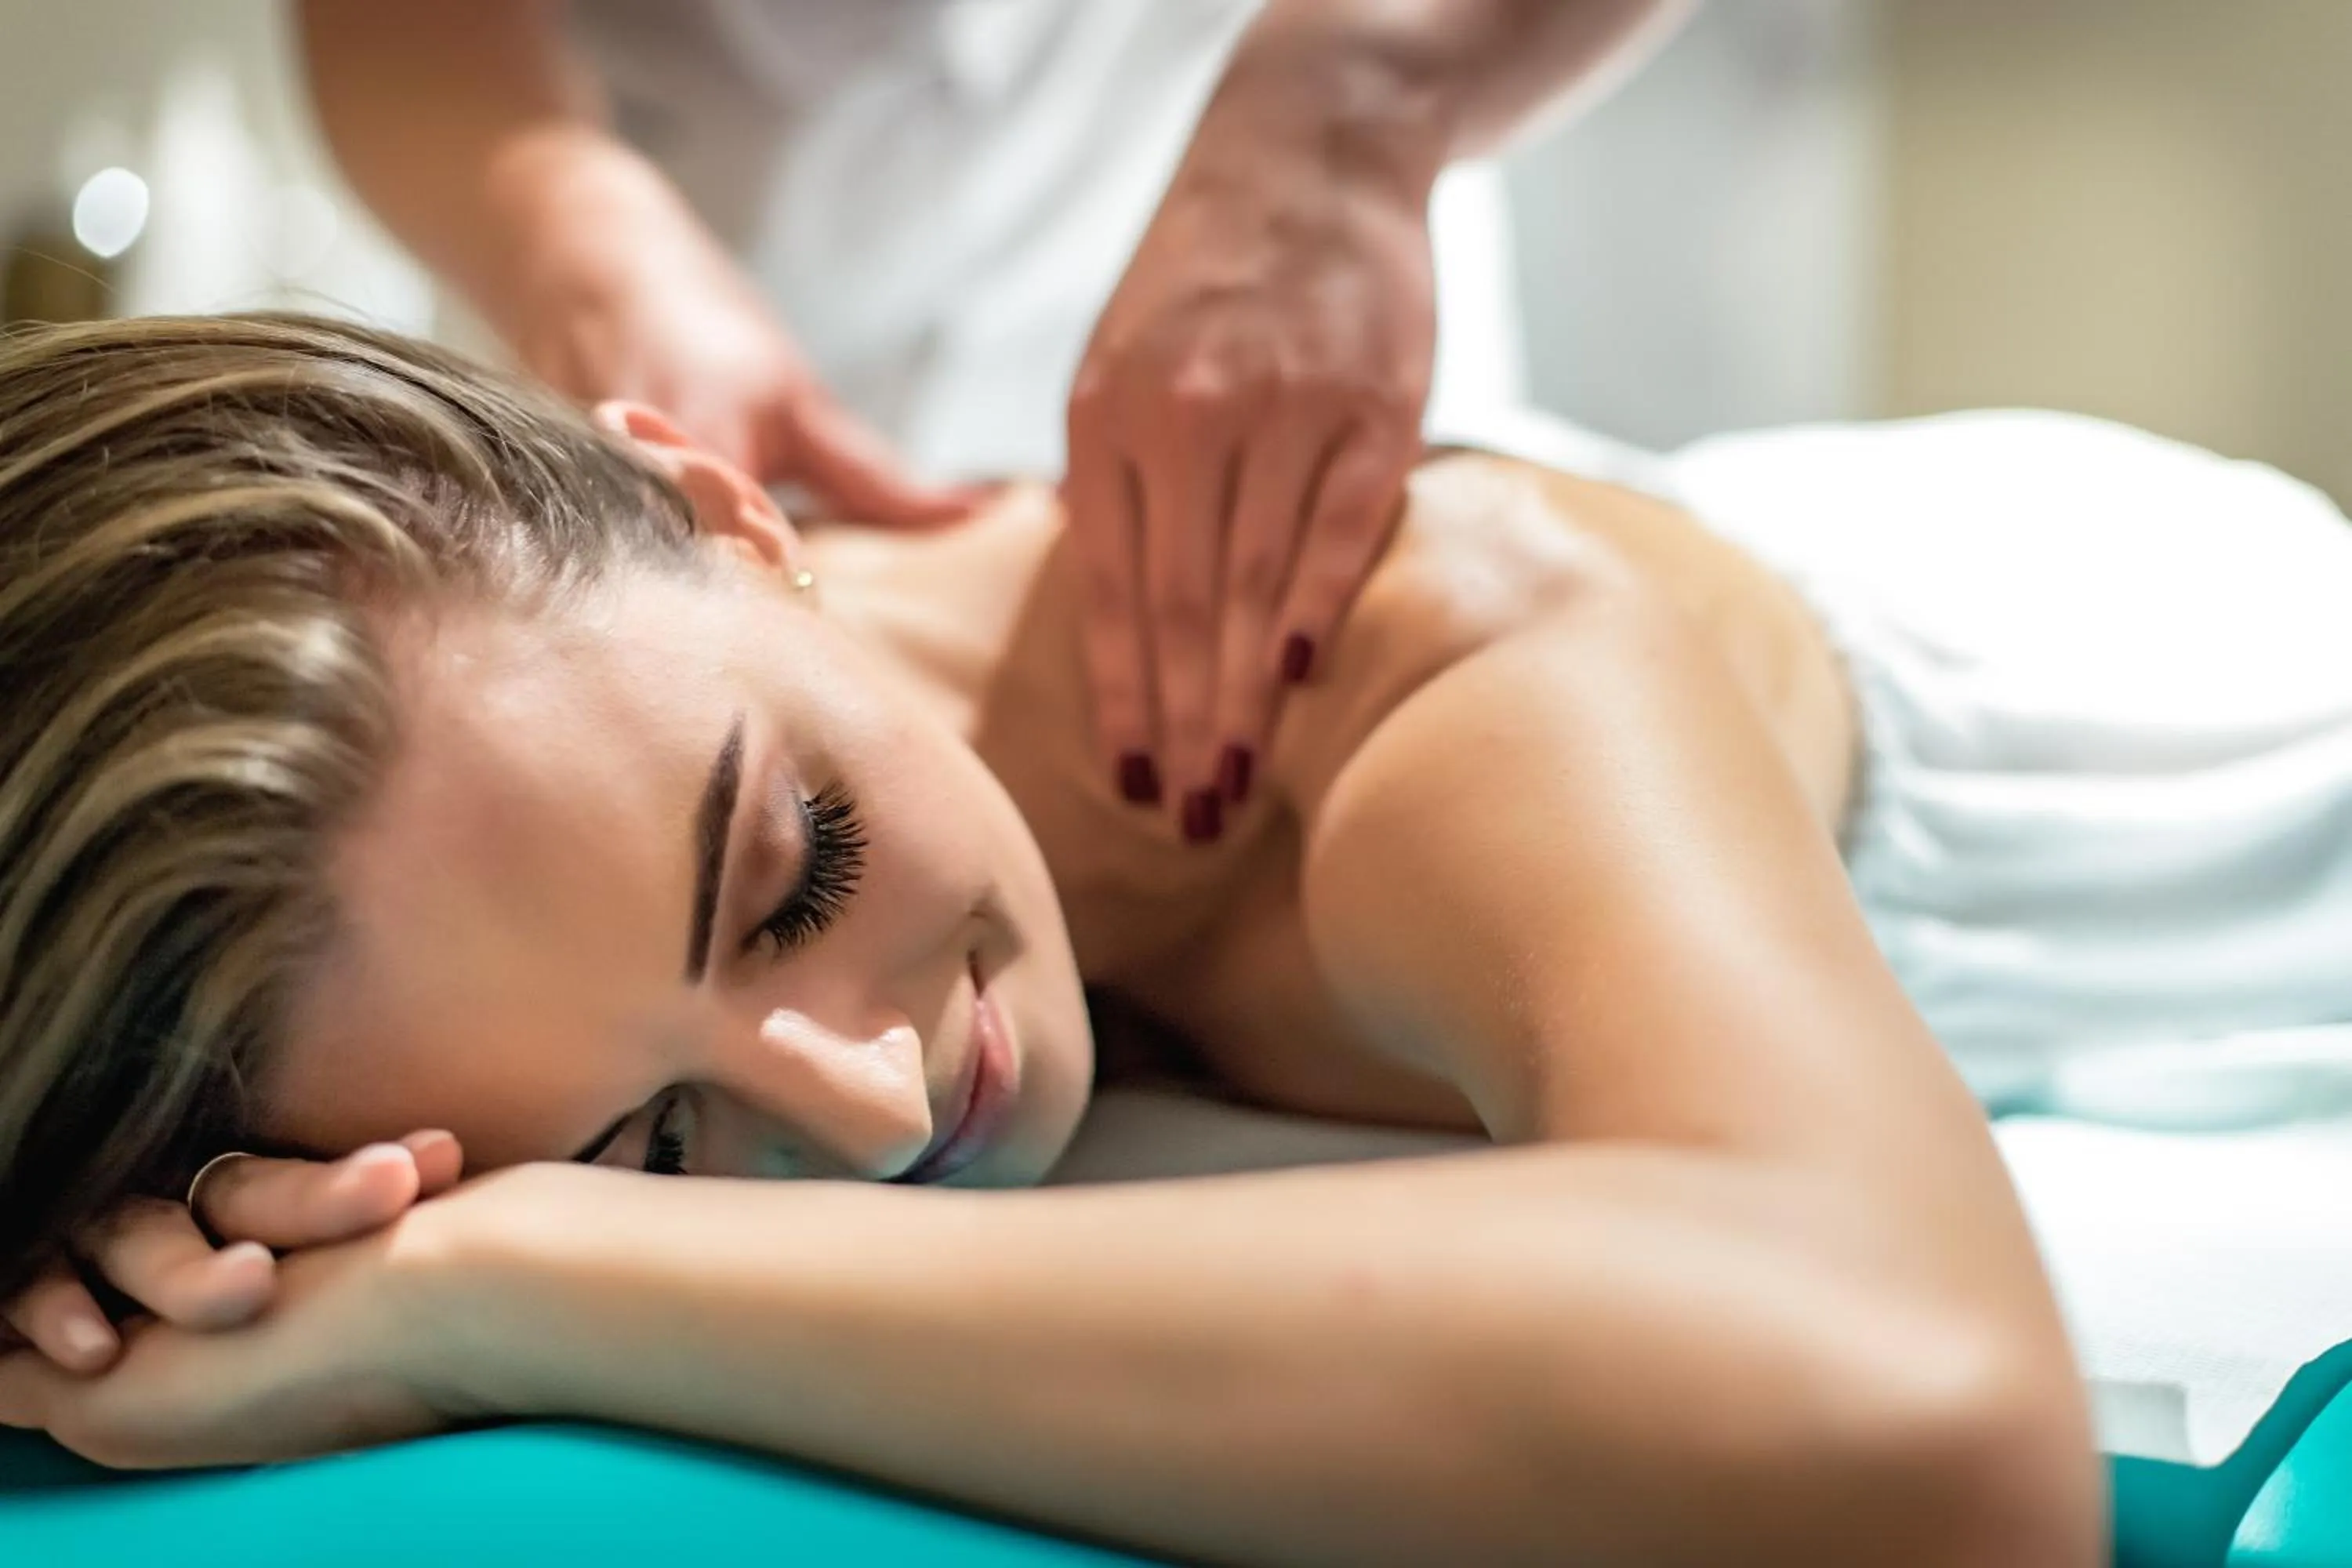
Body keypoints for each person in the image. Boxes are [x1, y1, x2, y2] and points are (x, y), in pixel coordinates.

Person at [50, 311, 2352, 1563]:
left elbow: (1930, 1439)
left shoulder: (1427, 691)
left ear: (733, 518)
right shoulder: (532, 821)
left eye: (800, 877)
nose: (862, 1116)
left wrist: (507, 1280)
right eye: (644, 1144)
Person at [296, 0, 1688, 843]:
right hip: (660, 302)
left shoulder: (1470, 658)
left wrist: (1358, 100)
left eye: (808, 864)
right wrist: (571, 222)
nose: (878, 1096)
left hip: (1288, 301)